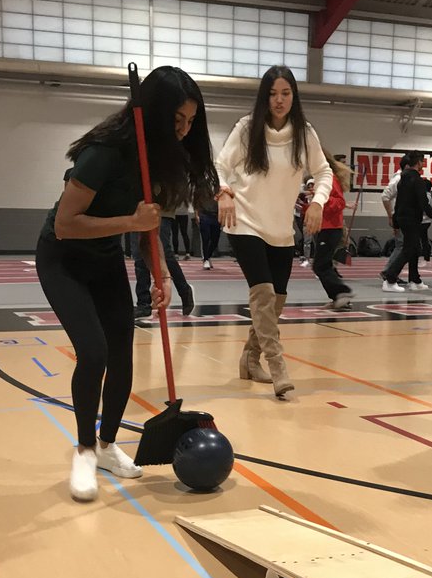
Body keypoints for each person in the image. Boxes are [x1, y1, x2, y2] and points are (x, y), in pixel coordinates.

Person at [37, 65, 217, 501]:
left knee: (123, 358)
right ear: (153, 113)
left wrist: (160, 279)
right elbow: (65, 224)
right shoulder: (104, 152)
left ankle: (105, 444)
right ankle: (83, 450)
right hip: (63, 261)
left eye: (191, 123)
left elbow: (147, 228)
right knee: (94, 352)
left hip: (104, 263)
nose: (184, 130)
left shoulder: (157, 158)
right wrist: (131, 220)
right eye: (177, 120)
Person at [216, 65, 333, 397]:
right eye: (272, 94)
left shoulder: (303, 133)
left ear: (293, 96)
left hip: (280, 229)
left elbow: (323, 172)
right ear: (263, 97)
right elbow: (219, 166)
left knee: (277, 299)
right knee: (264, 294)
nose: (279, 100)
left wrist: (318, 202)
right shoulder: (247, 129)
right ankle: (278, 366)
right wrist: (224, 193)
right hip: (245, 222)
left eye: (285, 93)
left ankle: (249, 359)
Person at [380, 150, 432, 291]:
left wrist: (394, 219)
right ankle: (390, 278)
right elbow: (424, 203)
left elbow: (399, 202)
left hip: (403, 218)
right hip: (411, 219)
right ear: (419, 162)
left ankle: (415, 280)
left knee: (414, 248)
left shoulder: (403, 179)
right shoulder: (417, 180)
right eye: (423, 162)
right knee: (409, 249)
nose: (423, 165)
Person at [312, 150, 354, 310]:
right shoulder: (323, 180)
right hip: (325, 227)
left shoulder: (330, 179)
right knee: (324, 265)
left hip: (330, 229)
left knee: (320, 266)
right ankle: (340, 298)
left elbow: (339, 202)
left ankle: (342, 293)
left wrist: (321, 199)